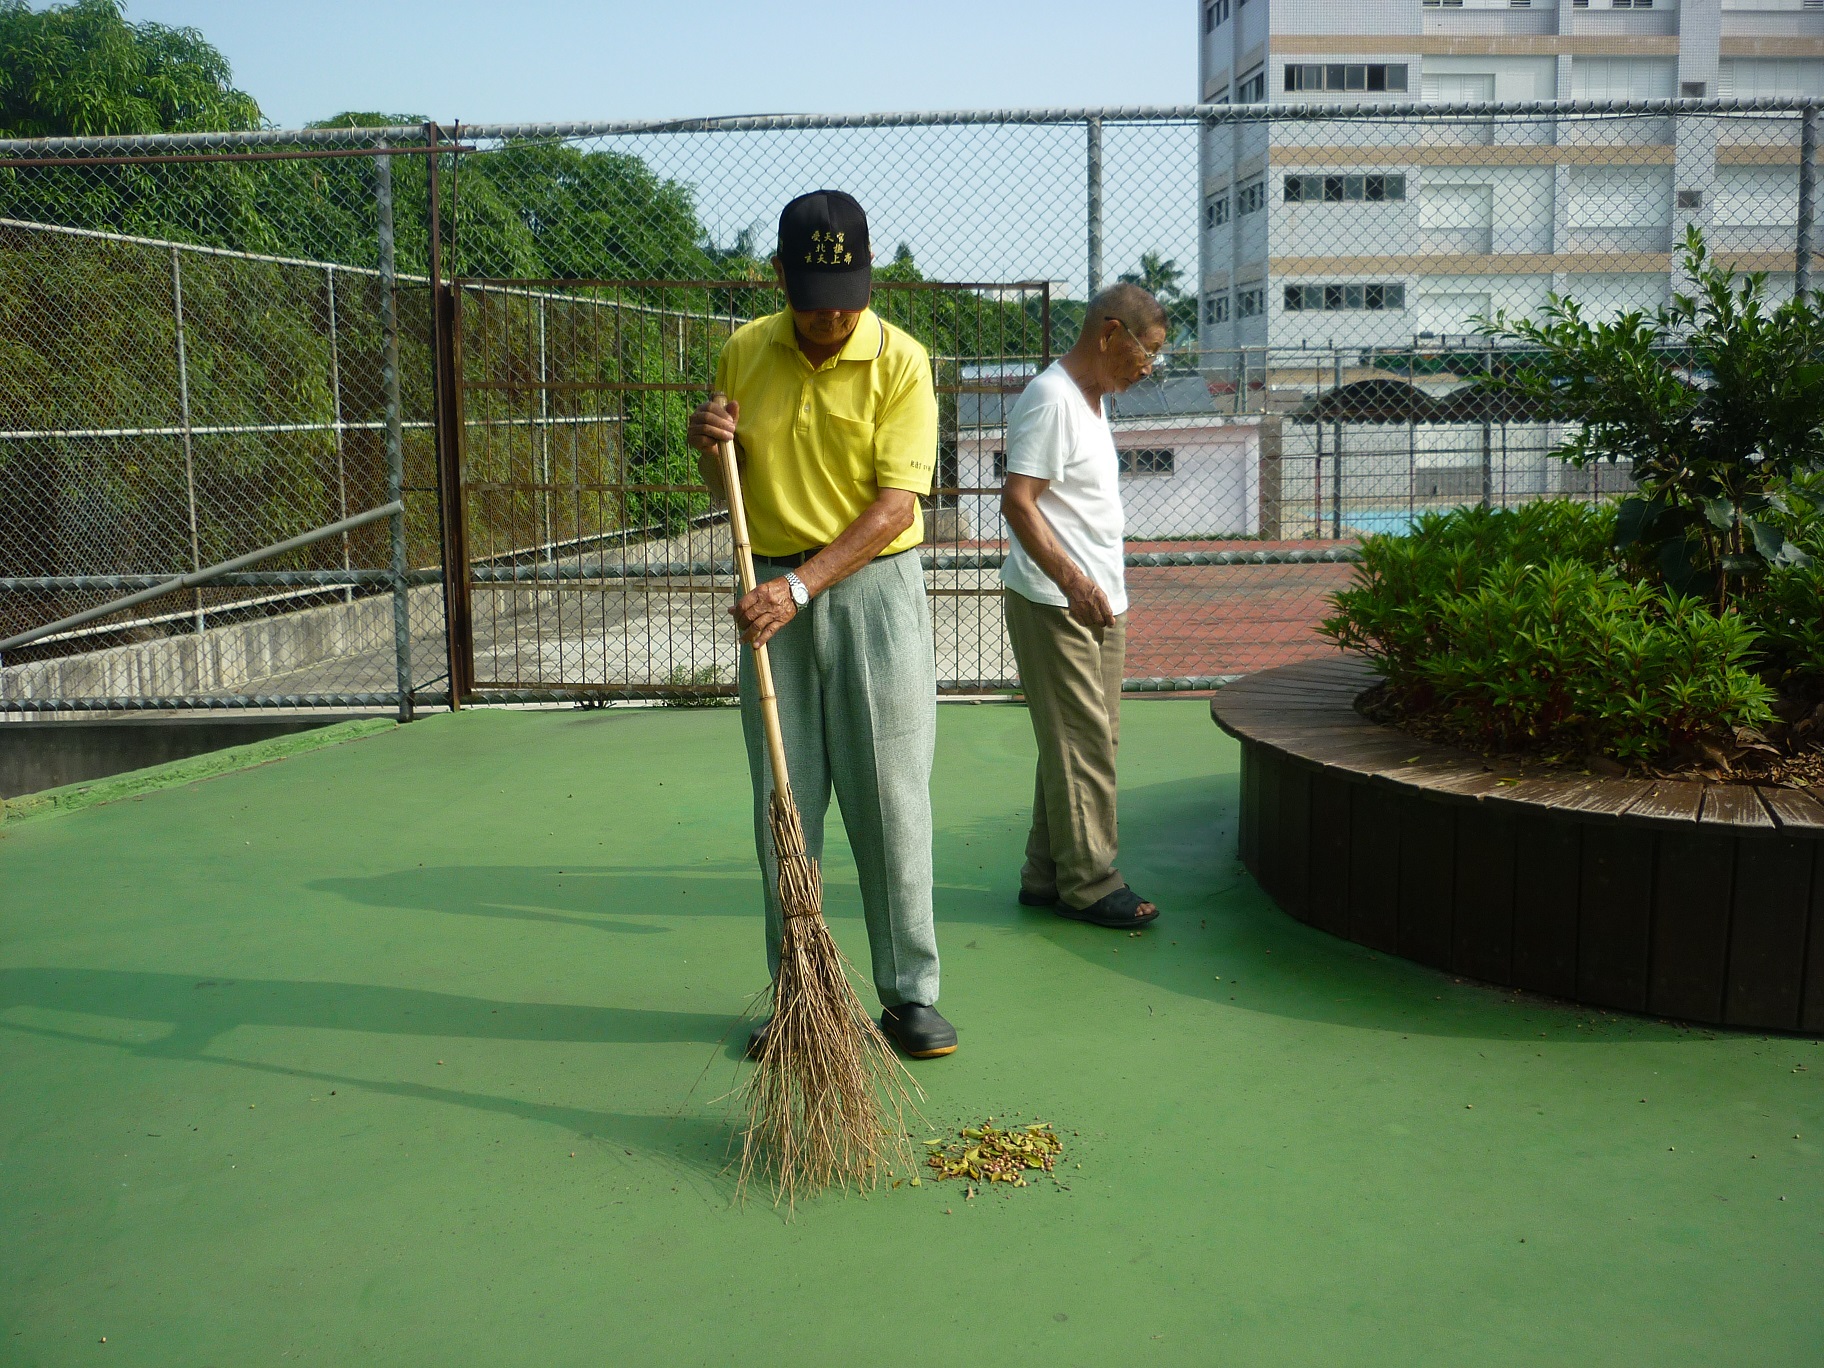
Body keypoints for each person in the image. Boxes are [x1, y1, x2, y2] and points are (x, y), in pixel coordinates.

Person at [685, 190, 957, 1059]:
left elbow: (896, 504)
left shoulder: (902, 360)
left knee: (891, 802)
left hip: (872, 592)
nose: (832, 315)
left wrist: (801, 587)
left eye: (848, 293)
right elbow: (731, 492)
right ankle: (798, 995)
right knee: (784, 801)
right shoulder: (744, 353)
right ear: (780, 279)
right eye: (813, 296)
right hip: (770, 597)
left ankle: (909, 996)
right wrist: (708, 448)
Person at [998, 283, 1167, 930]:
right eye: (1146, 350)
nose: (1149, 366)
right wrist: (1072, 582)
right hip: (1056, 603)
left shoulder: (1092, 402)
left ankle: (1046, 874)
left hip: (1099, 603)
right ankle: (1091, 883)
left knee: (1078, 741)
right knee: (1083, 742)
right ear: (1109, 333)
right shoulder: (1051, 399)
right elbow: (1019, 501)